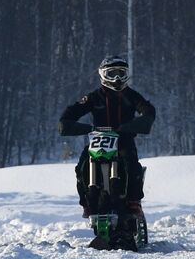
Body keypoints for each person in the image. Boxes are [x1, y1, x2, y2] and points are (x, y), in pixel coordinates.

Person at [58, 56, 155, 221]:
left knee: (132, 165)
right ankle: (87, 203)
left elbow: (148, 111)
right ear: (103, 75)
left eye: (121, 73)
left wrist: (135, 124)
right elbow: (69, 115)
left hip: (124, 140)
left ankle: (134, 201)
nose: (117, 78)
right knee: (82, 166)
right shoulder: (94, 97)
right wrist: (78, 127)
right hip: (99, 140)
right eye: (112, 73)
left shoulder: (131, 95)